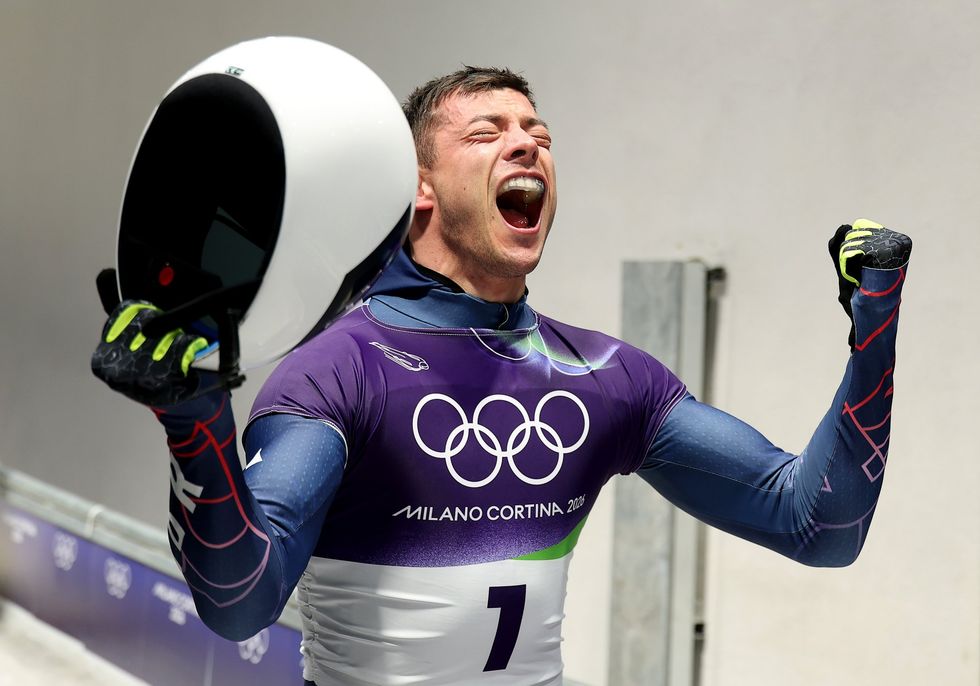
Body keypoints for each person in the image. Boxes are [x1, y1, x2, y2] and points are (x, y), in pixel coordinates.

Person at [92, 66, 912, 686]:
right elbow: (239, 603)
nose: (528, 145)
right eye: (486, 133)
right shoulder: (335, 373)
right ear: (414, 189)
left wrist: (873, 326)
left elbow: (819, 527)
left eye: (538, 133)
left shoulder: (607, 375)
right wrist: (196, 425)